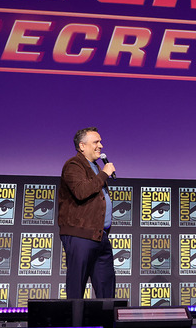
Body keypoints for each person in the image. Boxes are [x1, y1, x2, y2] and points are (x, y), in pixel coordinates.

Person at [58, 127, 117, 299]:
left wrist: (102, 173)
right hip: (81, 235)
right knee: (77, 288)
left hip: (100, 236)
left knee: (107, 289)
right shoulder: (74, 165)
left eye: (100, 141)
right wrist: (105, 173)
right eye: (96, 142)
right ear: (82, 146)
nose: (101, 145)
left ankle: (106, 324)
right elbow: (81, 191)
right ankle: (75, 325)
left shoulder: (96, 168)